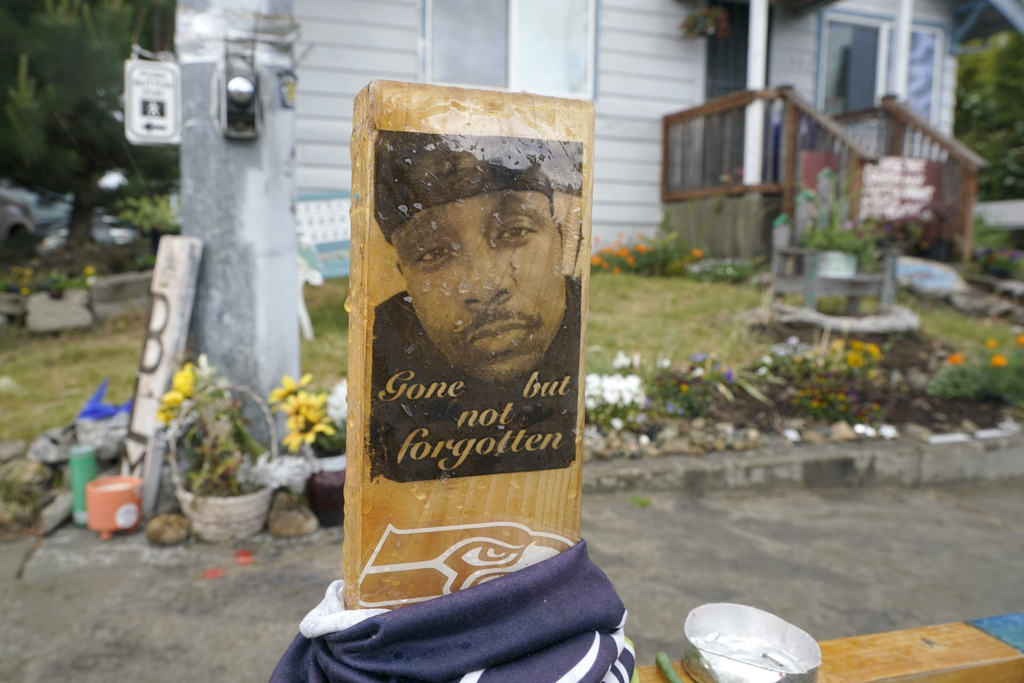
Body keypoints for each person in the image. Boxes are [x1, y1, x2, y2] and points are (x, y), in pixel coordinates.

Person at [369, 131, 585, 482]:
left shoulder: (582, 325)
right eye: (433, 253)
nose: (486, 286)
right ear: (405, 276)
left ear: (559, 240)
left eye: (514, 232)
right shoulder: (380, 347)